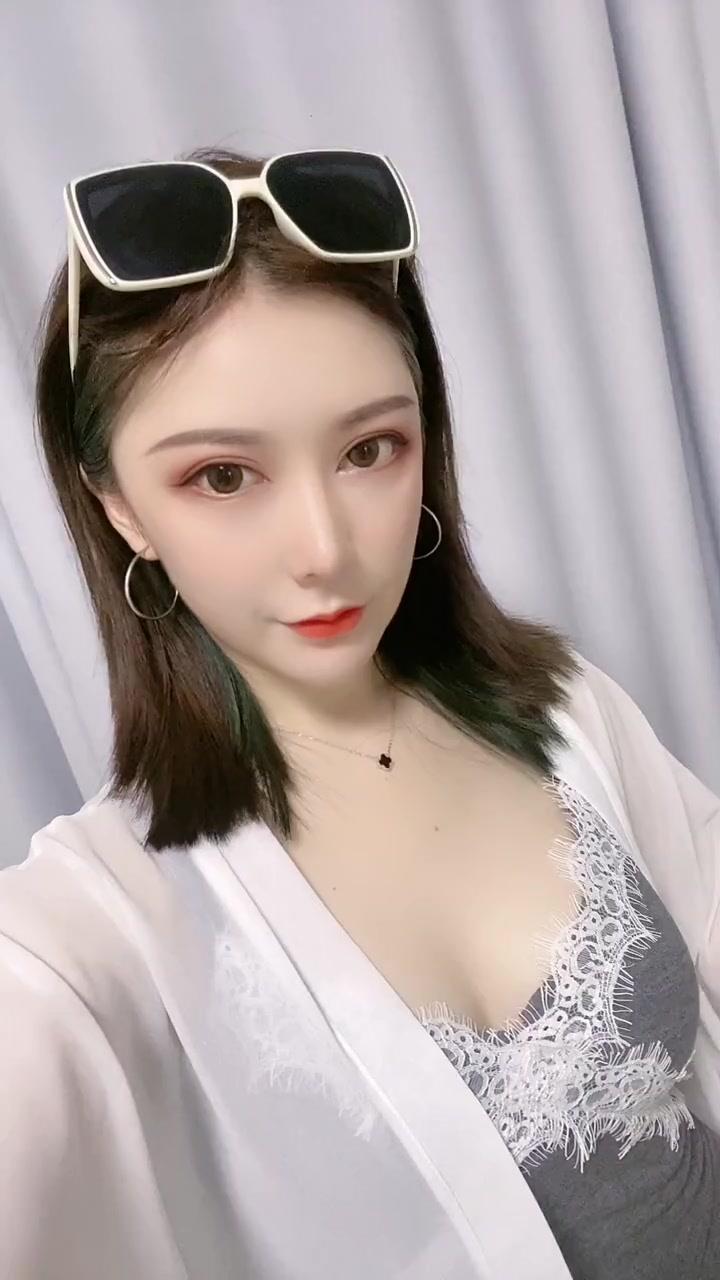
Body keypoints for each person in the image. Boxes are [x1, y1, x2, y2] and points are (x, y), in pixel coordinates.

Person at [0, 144, 717, 1280]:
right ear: (119, 505)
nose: (326, 549)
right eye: (223, 476)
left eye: (370, 449)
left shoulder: (569, 712)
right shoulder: (100, 922)